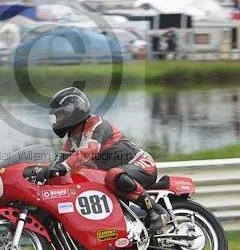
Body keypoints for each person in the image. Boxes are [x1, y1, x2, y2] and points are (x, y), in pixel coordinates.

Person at [38, 87, 169, 233]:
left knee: (113, 175)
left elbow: (89, 150)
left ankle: (157, 211)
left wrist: (63, 167)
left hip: (142, 165)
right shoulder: (73, 137)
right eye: (56, 116)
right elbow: (60, 160)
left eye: (60, 114)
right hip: (117, 176)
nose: (57, 119)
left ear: (73, 111)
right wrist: (44, 172)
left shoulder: (97, 125)